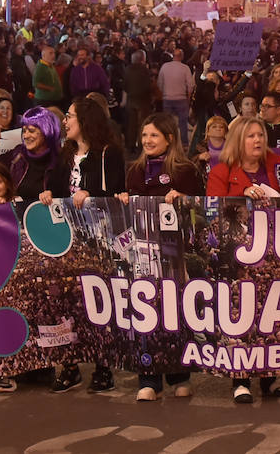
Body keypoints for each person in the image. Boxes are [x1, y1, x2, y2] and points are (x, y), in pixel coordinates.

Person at [40, 96, 125, 393]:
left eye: (70, 115)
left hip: (99, 240)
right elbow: (56, 187)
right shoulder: (64, 155)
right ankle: (71, 365)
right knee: (67, 303)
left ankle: (103, 367)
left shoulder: (108, 153)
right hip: (68, 240)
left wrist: (92, 191)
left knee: (99, 302)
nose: (66, 121)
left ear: (85, 120)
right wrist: (48, 194)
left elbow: (117, 191)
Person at [205, 115, 280, 402]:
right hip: (239, 260)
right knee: (242, 318)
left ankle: (269, 378)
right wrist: (242, 193)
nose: (258, 140)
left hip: (275, 254)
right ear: (238, 140)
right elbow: (214, 209)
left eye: (261, 135)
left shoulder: (278, 165)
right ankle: (241, 380)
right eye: (251, 136)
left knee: (273, 318)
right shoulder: (222, 172)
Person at [126, 112, 203, 401]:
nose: (147, 140)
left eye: (154, 135)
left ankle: (180, 376)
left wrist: (184, 200)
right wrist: (123, 200)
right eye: (144, 135)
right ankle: (149, 380)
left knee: (175, 313)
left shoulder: (186, 170)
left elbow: (200, 211)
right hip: (142, 257)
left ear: (169, 139)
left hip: (174, 255)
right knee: (146, 314)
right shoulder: (134, 170)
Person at [157, 48, 195, 147]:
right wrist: (188, 96)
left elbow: (159, 83)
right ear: (181, 56)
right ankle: (184, 143)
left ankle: (167, 142)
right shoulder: (185, 68)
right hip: (181, 99)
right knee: (183, 123)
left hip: (167, 98)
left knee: (168, 122)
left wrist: (164, 92)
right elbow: (190, 85)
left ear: (173, 56)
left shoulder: (164, 67)